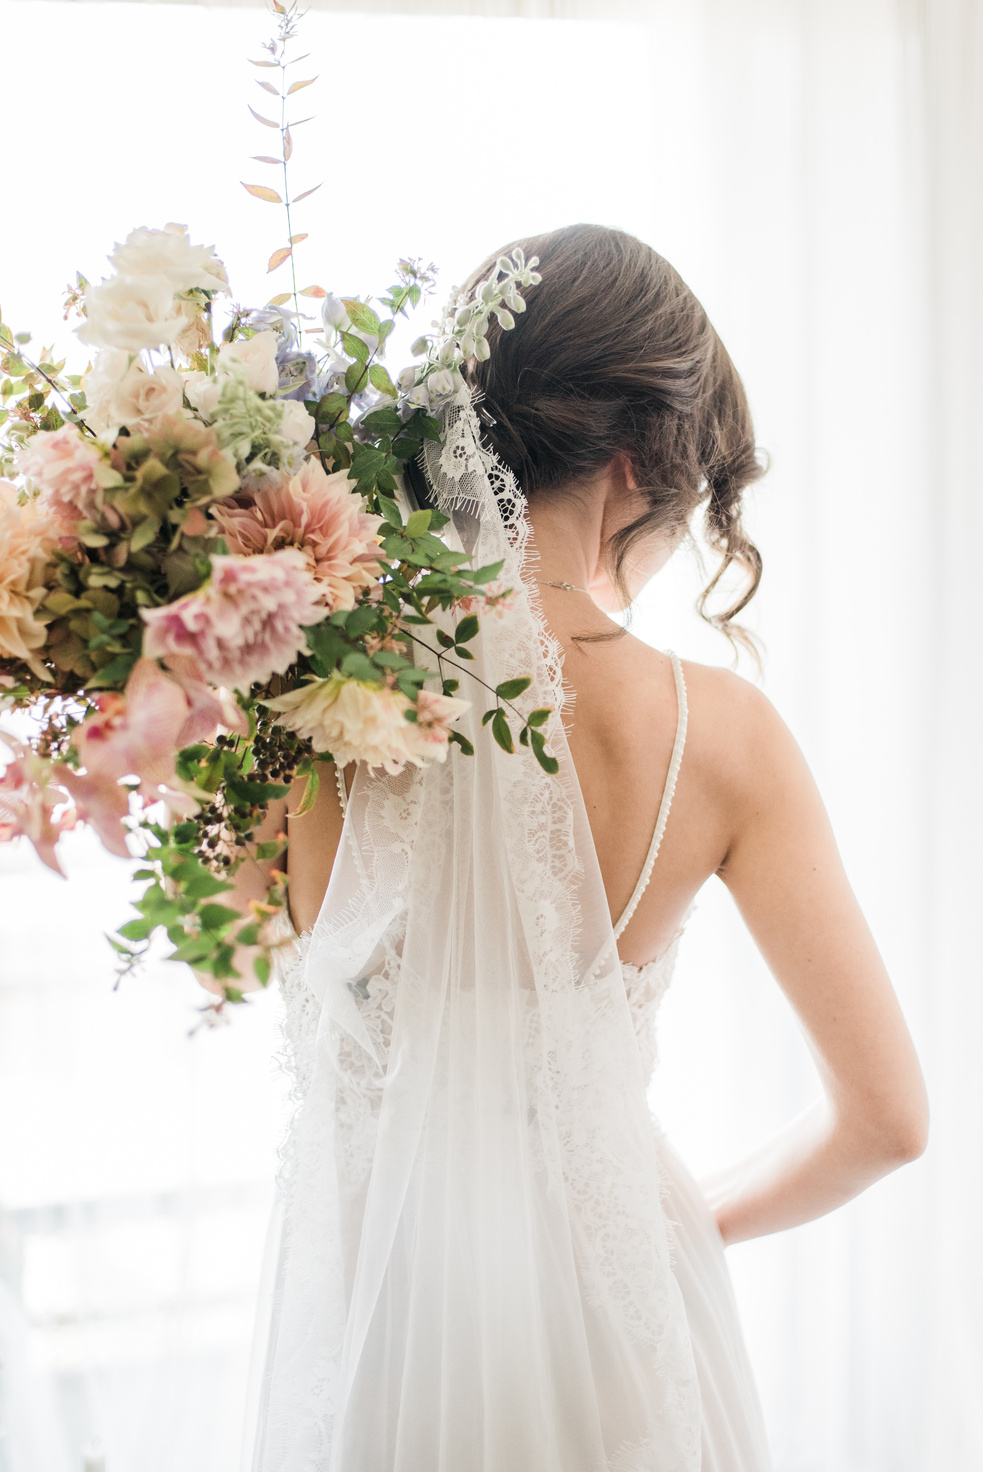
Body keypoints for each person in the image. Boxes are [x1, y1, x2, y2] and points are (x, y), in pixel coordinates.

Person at [238, 225, 928, 1471]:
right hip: (616, 1305)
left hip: (383, 1315)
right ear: (632, 466)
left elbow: (247, 941)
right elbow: (885, 1121)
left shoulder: (297, 681)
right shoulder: (720, 736)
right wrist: (665, 1222)